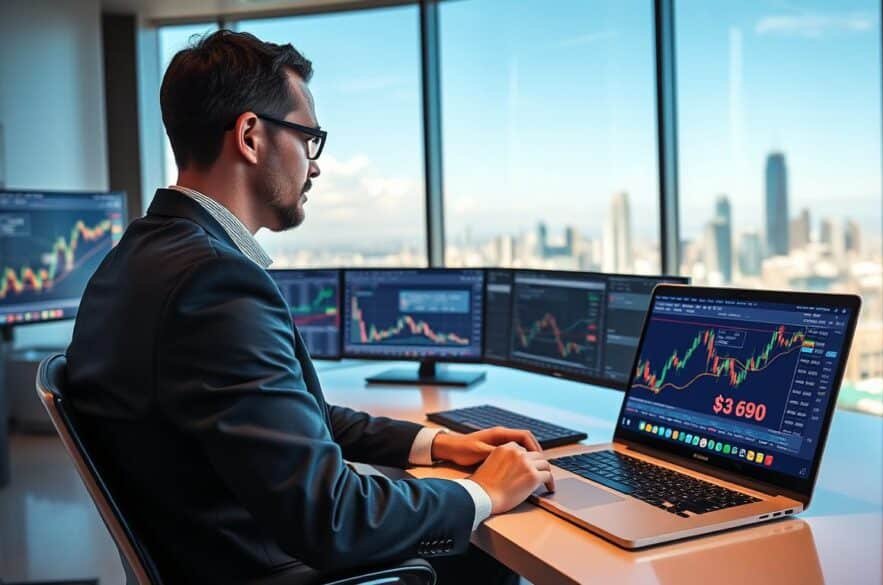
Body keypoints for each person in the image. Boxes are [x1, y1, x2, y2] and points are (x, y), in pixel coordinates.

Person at [65, 30, 553, 585]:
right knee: (490, 554)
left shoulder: (137, 258)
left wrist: (437, 444)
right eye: (308, 139)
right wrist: (482, 492)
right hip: (263, 568)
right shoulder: (215, 283)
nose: (315, 167)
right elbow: (331, 517)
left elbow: (284, 415)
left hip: (212, 554)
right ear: (250, 136)